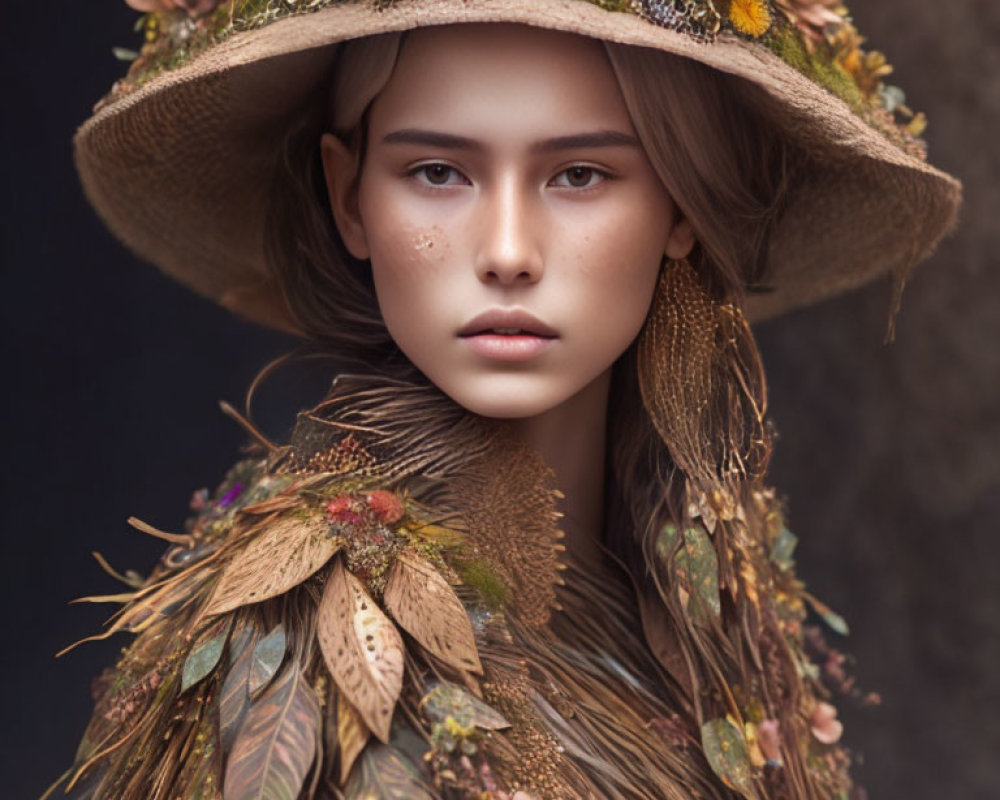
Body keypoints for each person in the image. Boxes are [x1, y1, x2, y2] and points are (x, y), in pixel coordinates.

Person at [50, 1, 961, 799]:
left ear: (681, 204)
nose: (509, 250)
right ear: (349, 196)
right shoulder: (312, 632)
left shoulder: (704, 591)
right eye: (438, 172)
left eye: (580, 174)